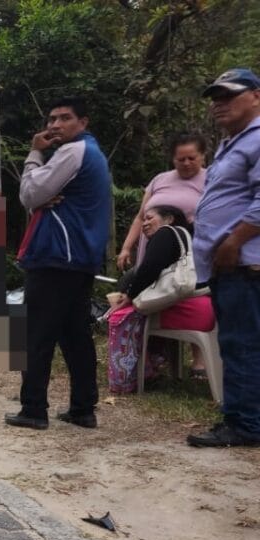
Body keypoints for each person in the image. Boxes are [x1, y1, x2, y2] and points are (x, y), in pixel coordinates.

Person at [8, 97, 111, 431]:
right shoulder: (92, 153)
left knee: (36, 334)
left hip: (56, 256)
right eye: (51, 119)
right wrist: (43, 196)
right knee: (74, 334)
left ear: (83, 122)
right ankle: (83, 408)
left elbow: (29, 194)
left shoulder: (72, 151)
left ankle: (33, 408)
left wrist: (35, 154)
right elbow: (41, 195)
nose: (54, 125)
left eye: (64, 118)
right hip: (79, 258)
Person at [187, 69, 260, 448]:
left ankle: (244, 424)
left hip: (243, 264)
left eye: (228, 96)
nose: (219, 104)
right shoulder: (232, 143)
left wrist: (234, 241)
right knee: (238, 342)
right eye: (215, 98)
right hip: (228, 266)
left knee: (240, 344)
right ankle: (244, 417)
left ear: (256, 97)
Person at [106, 206, 214, 393]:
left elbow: (149, 268)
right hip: (206, 308)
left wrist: (129, 296)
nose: (144, 224)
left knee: (123, 316)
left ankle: (127, 377)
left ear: (169, 218)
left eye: (149, 218)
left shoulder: (166, 233)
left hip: (188, 310)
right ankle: (154, 364)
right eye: (143, 220)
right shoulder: (189, 239)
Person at [117, 133, 208, 271]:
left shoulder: (211, 180)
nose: (186, 163)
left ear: (202, 156)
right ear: (173, 159)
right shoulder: (160, 179)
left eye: (191, 158)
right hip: (150, 250)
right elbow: (140, 217)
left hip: (184, 254)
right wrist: (126, 248)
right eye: (181, 159)